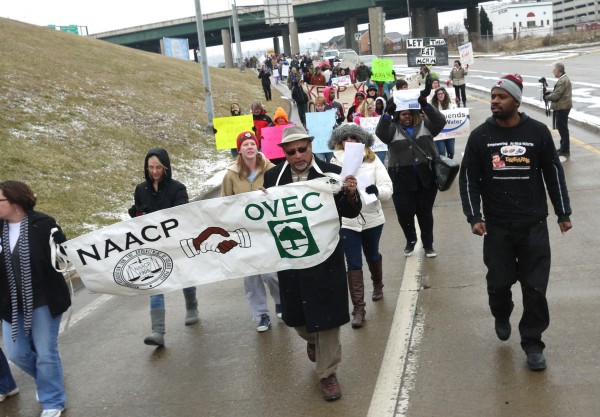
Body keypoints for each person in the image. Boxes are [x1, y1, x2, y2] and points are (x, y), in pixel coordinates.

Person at [459, 73, 572, 371]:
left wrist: (563, 213)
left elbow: (553, 173)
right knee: (499, 283)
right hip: (497, 228)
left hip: (533, 225)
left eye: (501, 96)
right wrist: (474, 216)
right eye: (493, 96)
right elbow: (469, 178)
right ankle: (501, 312)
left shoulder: (537, 132)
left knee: (535, 288)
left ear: (516, 101)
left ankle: (533, 343)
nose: (495, 101)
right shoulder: (480, 136)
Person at [263, 125, 361, 401]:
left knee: (328, 317)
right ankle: (312, 341)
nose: (298, 155)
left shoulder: (331, 172)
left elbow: (351, 212)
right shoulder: (273, 178)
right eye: (291, 151)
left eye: (302, 148)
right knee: (297, 319)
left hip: (325, 256)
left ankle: (327, 373)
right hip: (291, 258)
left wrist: (351, 194)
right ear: (284, 153)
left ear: (310, 145)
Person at [0, 180, 71, 417]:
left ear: (15, 202)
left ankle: (53, 401)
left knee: (46, 352)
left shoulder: (43, 224)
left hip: (44, 299)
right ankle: (47, 380)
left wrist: (60, 242)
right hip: (10, 302)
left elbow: (66, 254)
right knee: (16, 353)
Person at [129, 148, 199, 347]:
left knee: (185, 277)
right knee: (155, 284)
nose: (154, 171)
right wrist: (136, 214)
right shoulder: (141, 189)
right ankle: (157, 331)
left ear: (166, 167)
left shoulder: (177, 188)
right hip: (153, 246)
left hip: (176, 242)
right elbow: (139, 214)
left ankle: (192, 306)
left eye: (158, 167)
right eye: (150, 167)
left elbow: (183, 213)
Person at [328, 124, 393, 328]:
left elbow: (387, 189)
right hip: (347, 222)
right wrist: (340, 186)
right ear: (340, 142)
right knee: (353, 263)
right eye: (346, 139)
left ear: (361, 142)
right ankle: (358, 309)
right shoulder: (334, 161)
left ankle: (378, 284)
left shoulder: (373, 161)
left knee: (372, 255)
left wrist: (375, 191)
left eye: (354, 138)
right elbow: (328, 188)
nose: (350, 142)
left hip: (372, 218)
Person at [376, 80, 446, 258]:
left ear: (416, 113)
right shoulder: (391, 129)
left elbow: (441, 121)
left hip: (425, 177)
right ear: (398, 116)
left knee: (425, 213)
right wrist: (387, 113)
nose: (406, 116)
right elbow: (380, 134)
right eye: (402, 114)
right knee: (404, 212)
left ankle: (428, 245)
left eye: (410, 113)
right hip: (400, 178)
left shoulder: (426, 125)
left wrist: (425, 104)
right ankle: (411, 239)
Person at [221, 132, 281, 332]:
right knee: (252, 277)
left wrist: (270, 194)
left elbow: (282, 195)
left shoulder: (271, 168)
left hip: (268, 230)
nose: (249, 147)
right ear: (239, 149)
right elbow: (224, 203)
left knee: (272, 274)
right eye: (245, 144)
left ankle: (281, 302)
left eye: (252, 143)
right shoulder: (231, 174)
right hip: (244, 232)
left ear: (257, 147)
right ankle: (261, 315)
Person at [544, 62, 572, 157]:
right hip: (562, 107)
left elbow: (556, 95)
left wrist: (548, 97)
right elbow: (558, 92)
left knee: (562, 128)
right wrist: (550, 93)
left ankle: (565, 149)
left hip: (562, 107)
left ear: (559, 71)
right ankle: (563, 147)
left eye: (554, 70)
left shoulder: (562, 80)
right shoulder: (563, 79)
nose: (553, 72)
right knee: (562, 128)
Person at [430, 87, 456, 159]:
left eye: (441, 93)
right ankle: (444, 167)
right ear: (436, 96)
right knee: (441, 152)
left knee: (451, 152)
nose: (440, 95)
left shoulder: (451, 103)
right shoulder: (433, 105)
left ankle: (450, 164)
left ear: (445, 94)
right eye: (438, 94)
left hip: (450, 132)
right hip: (439, 133)